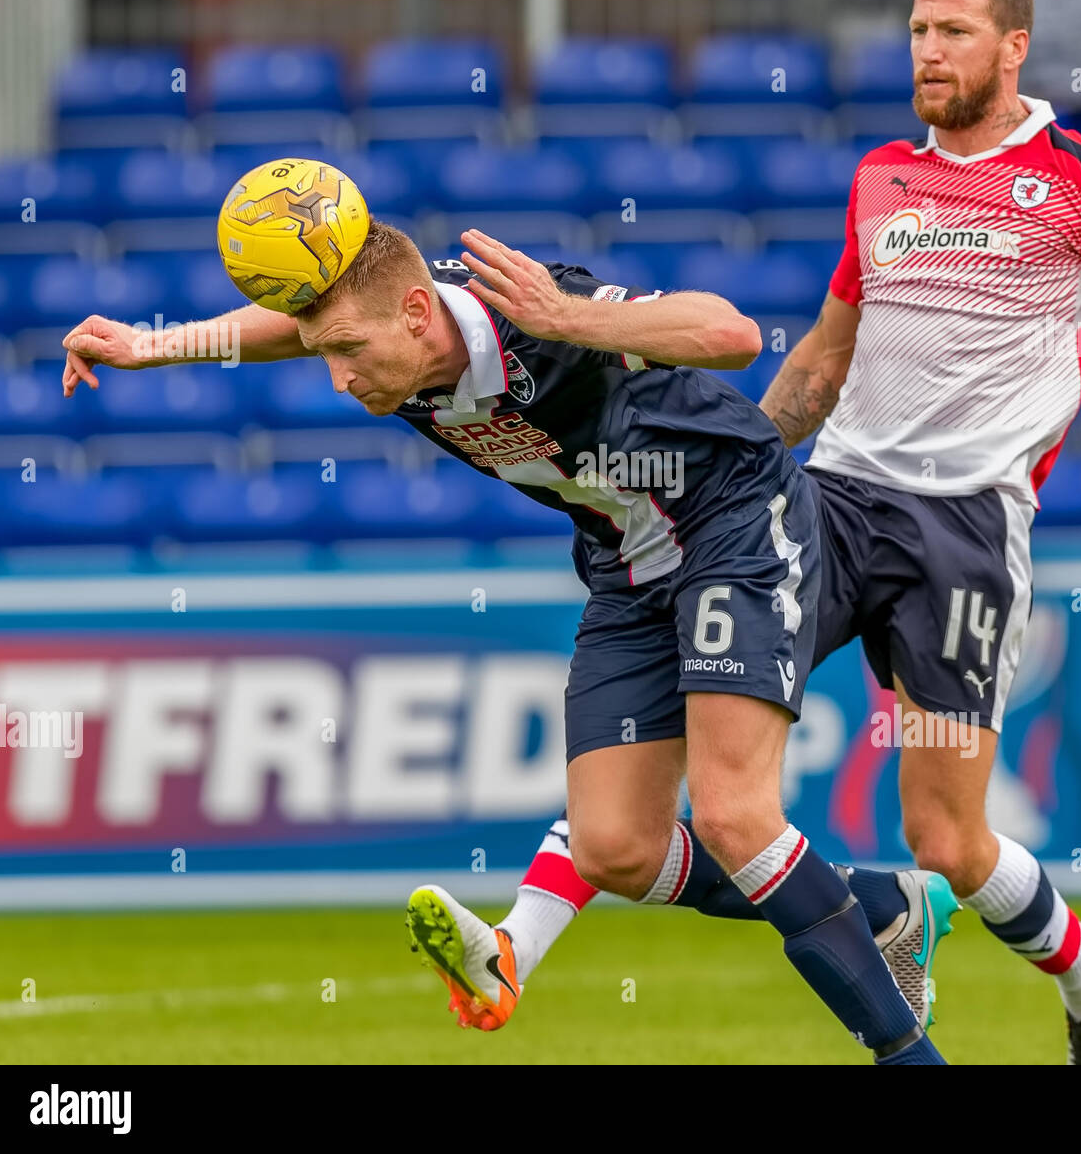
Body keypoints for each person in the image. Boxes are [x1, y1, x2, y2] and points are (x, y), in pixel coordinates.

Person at [425, 0, 1081, 1066]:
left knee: (947, 838)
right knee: (698, 738)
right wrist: (737, 458)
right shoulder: (880, 178)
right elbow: (822, 361)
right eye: (915, 32)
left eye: (950, 32)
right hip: (831, 505)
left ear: (1013, 45)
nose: (927, 52)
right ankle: (527, 940)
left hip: (966, 530)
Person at [60, 223, 945, 1065]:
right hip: (627, 561)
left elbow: (732, 332)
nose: (335, 377)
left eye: (348, 352)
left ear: (416, 313)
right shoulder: (385, 341)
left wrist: (574, 318)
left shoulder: (533, 314)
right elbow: (296, 329)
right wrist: (154, 345)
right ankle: (882, 904)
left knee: (732, 818)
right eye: (326, 350)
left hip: (731, 521)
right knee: (613, 848)